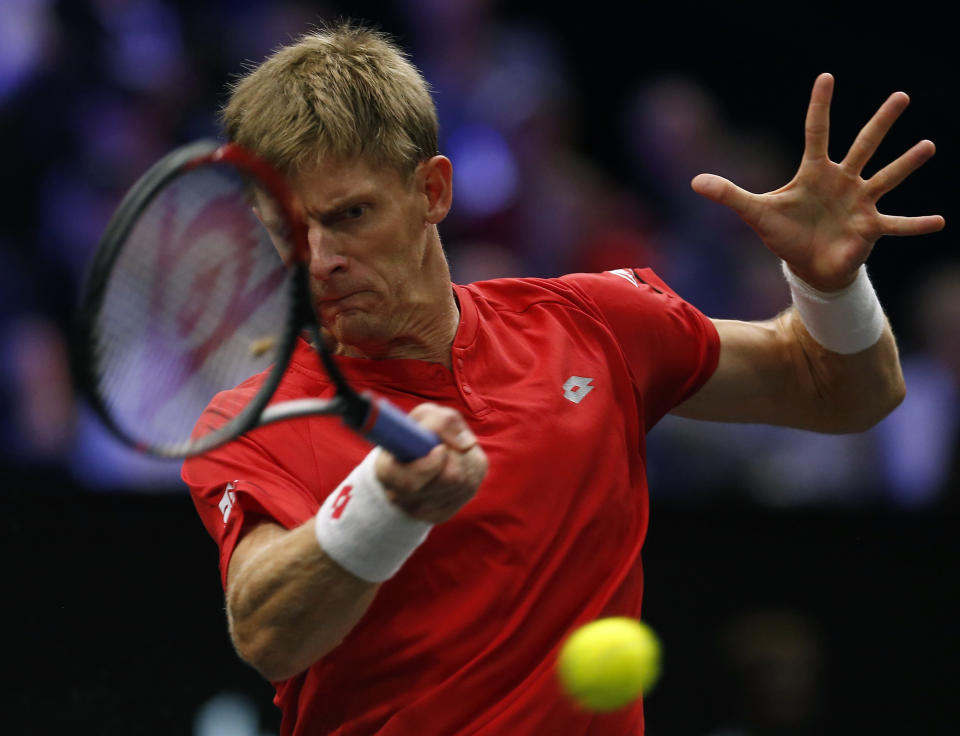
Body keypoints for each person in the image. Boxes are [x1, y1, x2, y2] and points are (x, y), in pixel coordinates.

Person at [182, 21, 944, 736]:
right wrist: (384, 504)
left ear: (433, 193)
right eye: (289, 228)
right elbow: (266, 633)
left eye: (350, 215)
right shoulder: (259, 415)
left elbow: (848, 392)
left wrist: (827, 286)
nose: (320, 259)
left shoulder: (593, 325)